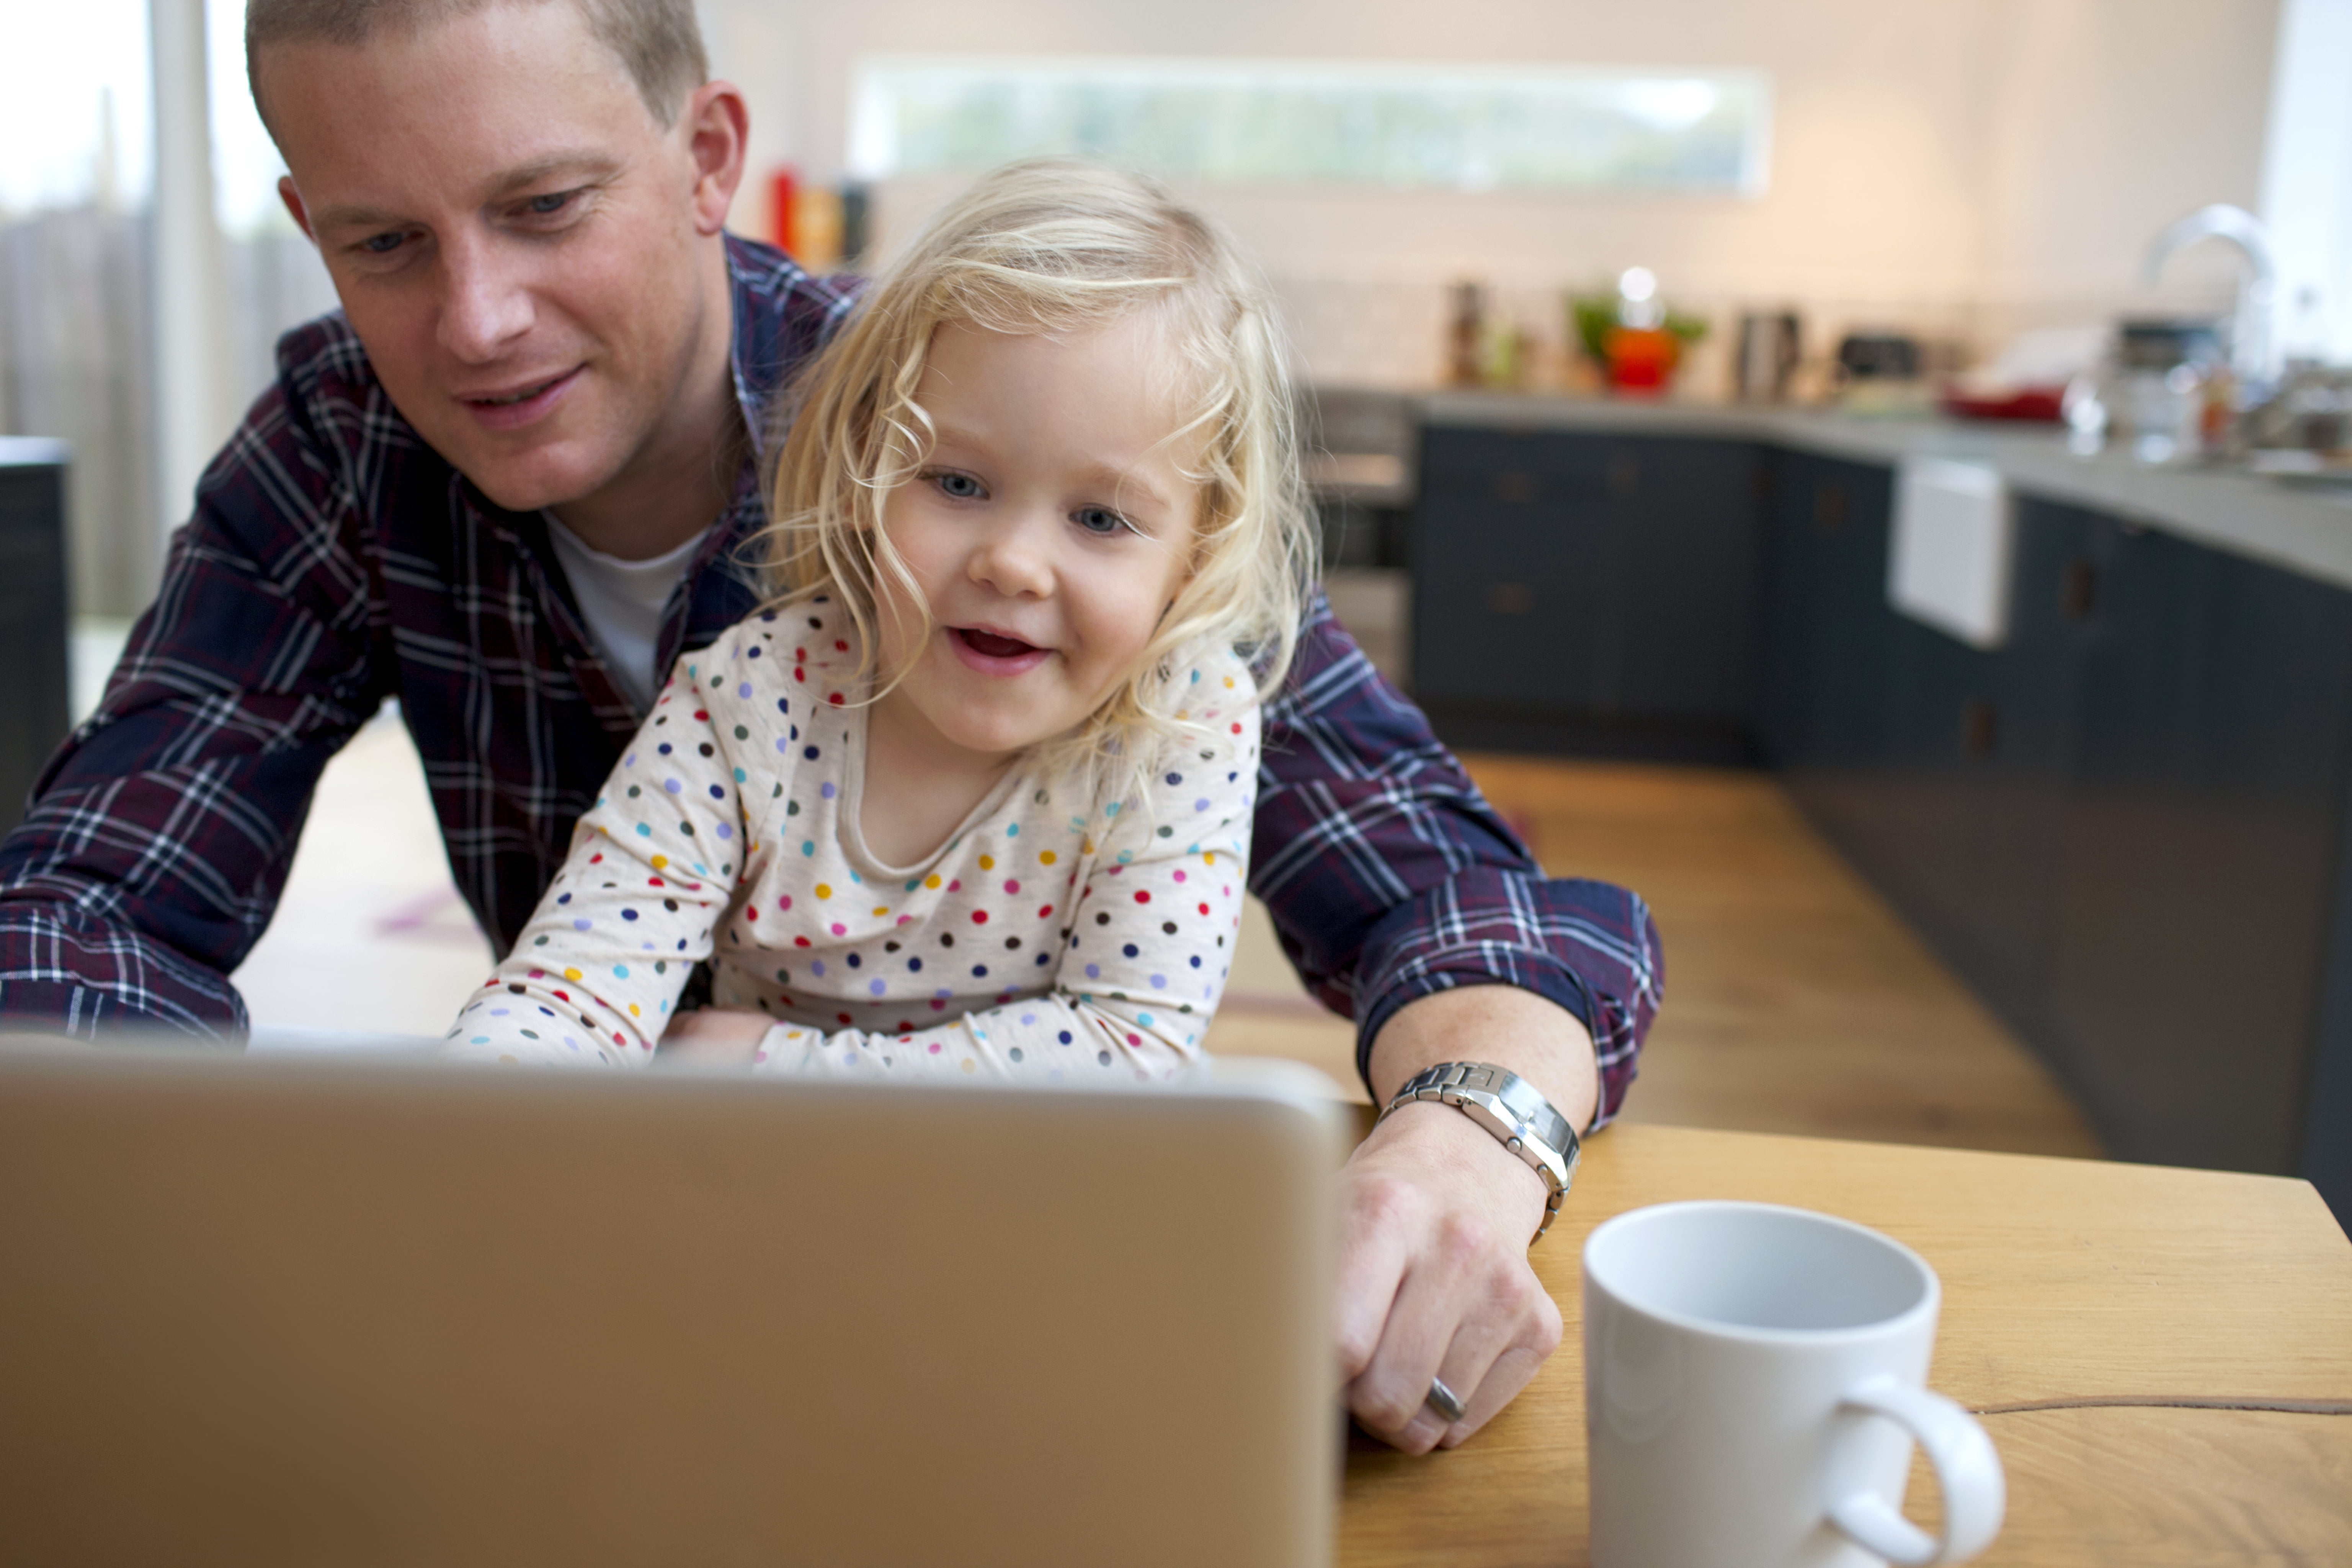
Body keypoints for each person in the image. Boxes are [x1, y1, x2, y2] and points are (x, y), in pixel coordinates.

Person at [0, 0, 1659, 1454]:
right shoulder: (337, 449)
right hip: (673, 1267)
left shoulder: (996, 402)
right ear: (307, 222)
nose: (478, 318)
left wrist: (1475, 1129)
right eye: (383, 243)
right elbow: (91, 899)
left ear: (709, 154)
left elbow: (1435, 877)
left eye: (545, 205)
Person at [450, 160, 1299, 1076]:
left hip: (1048, 1206)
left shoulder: (1183, 718)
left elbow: (1128, 1049)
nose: (1012, 562)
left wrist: (777, 1064)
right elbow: (573, 989)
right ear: (868, 472)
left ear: (1198, 553)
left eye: (1099, 518)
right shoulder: (753, 694)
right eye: (957, 483)